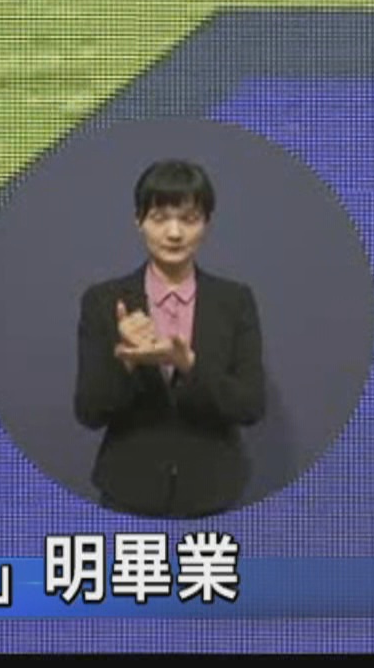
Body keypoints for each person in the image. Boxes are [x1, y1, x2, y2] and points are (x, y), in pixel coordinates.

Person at [74, 159, 267, 518]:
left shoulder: (234, 300)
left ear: (206, 222)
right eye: (160, 218)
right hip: (127, 493)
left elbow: (251, 406)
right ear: (138, 220)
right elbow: (88, 411)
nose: (174, 233)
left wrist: (189, 365)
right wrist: (127, 361)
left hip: (214, 494)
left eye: (189, 219)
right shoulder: (104, 301)